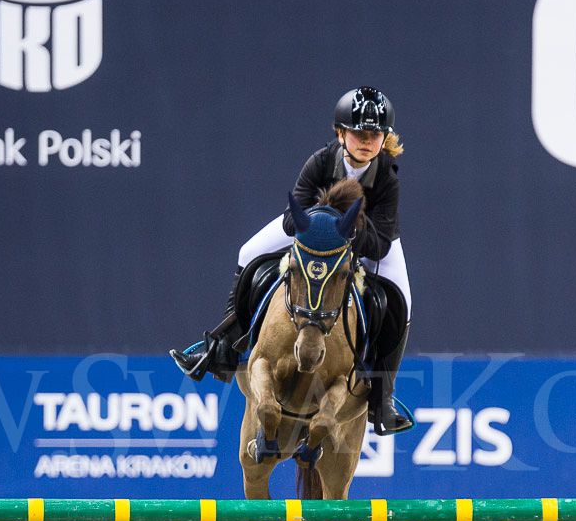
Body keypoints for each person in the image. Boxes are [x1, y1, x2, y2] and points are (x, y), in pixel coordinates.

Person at [169, 86, 413, 435]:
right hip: (313, 231)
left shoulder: (386, 177)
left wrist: (350, 229)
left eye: (374, 135)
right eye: (358, 133)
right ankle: (220, 348)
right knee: (248, 252)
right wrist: (324, 224)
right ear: (340, 133)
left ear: (384, 138)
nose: (366, 141)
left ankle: (382, 397)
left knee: (402, 301)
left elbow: (380, 244)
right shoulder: (321, 161)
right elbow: (289, 221)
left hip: (369, 239)